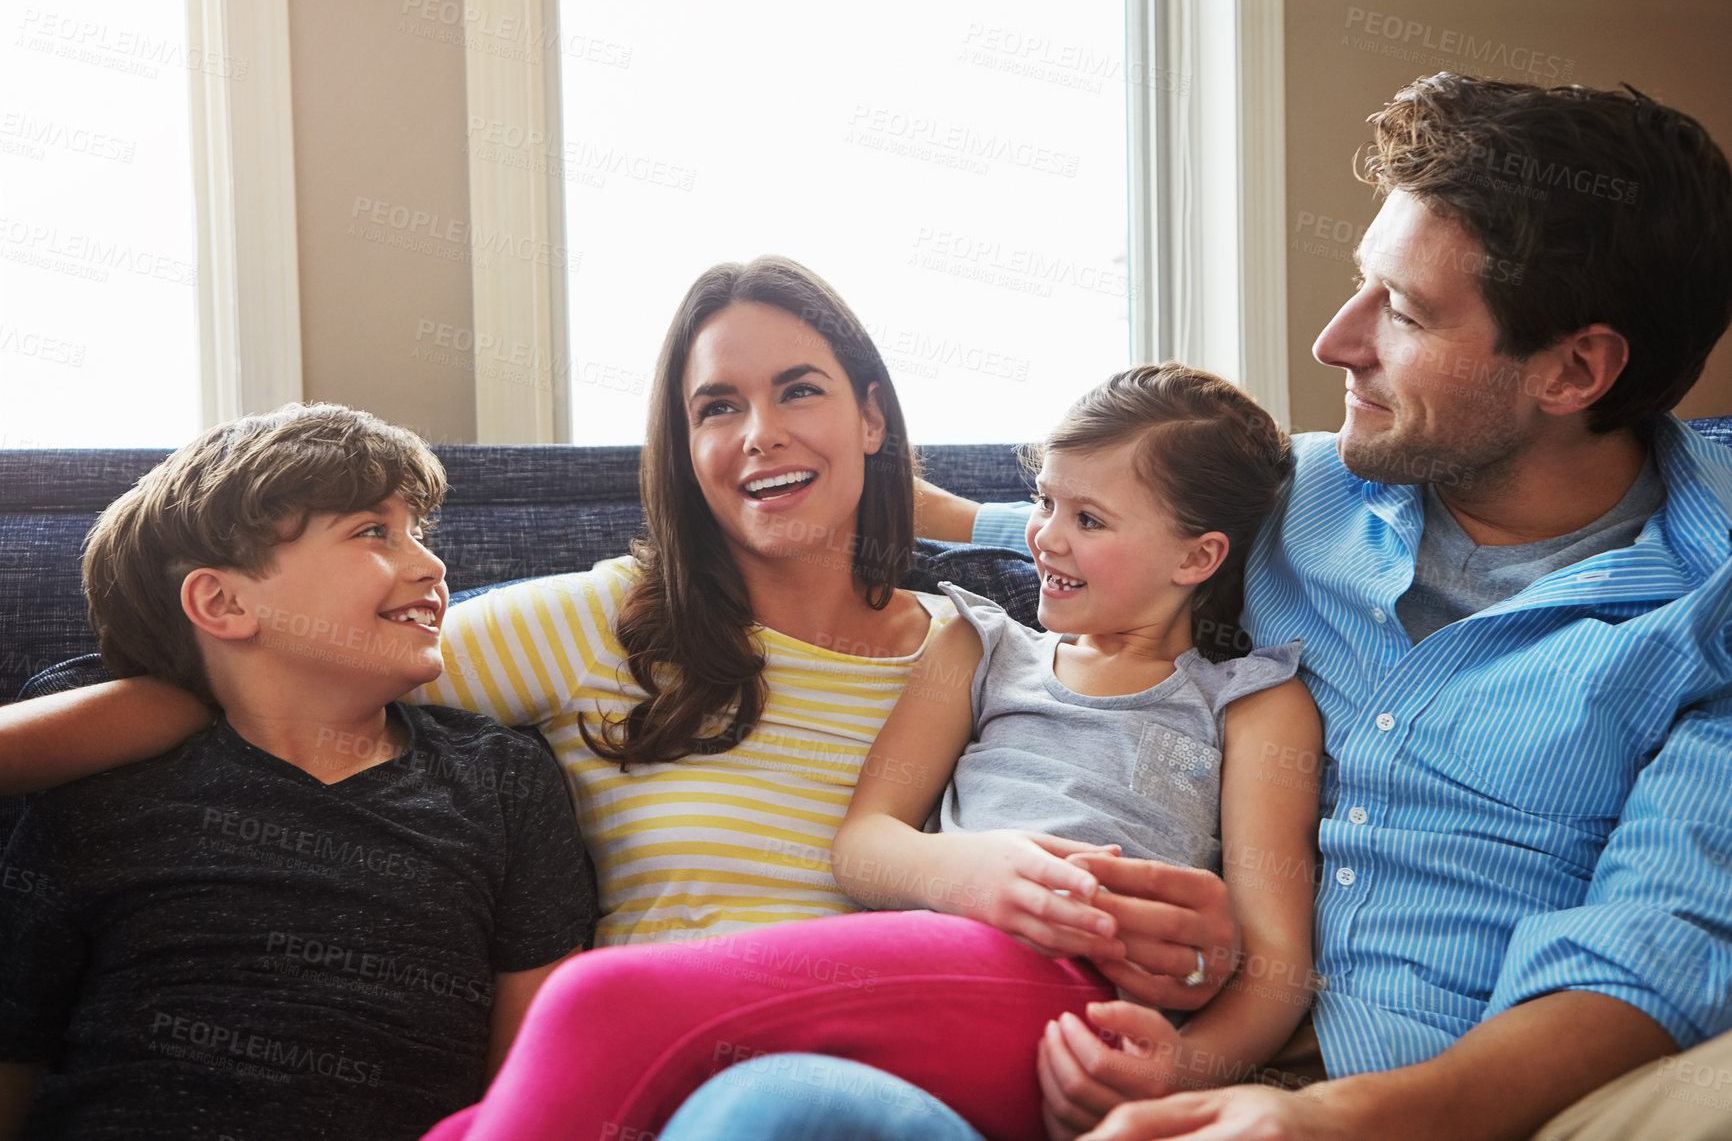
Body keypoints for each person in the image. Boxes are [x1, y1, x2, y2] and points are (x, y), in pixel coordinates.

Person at [674, 73, 1732, 1140]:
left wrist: (1325, 1119)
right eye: (1361, 283)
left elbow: (1652, 949)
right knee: (770, 1107)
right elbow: (1100, 528)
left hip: (1457, 1105)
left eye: (1403, 313)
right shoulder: (1302, 491)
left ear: (1575, 369)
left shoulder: (1707, 616)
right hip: (1172, 1067)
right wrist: (862, 494)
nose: (1335, 340)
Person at [0, 261, 1237, 1130]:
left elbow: (1160, 566)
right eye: (716, 405)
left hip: (926, 1075)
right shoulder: (590, 620)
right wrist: (81, 726)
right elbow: (270, 678)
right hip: (637, 1094)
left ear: (870, 417)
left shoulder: (990, 646)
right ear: (684, 452)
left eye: (799, 388)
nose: (758, 431)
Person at [412, 365, 1323, 1141]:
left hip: (1078, 1009)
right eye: (1044, 501)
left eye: (1089, 519)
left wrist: (1180, 1072)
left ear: (1198, 556)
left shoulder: (1252, 701)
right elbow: (866, 844)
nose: (1044, 535)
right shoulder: (980, 643)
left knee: (595, 1004)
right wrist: (971, 872)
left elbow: (1276, 963)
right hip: (941, 959)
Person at [0, 404, 593, 1141]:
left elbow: (531, 1080)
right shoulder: (101, 786)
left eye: (420, 532)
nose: (432, 565)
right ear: (223, 602)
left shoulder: (503, 779)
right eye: (374, 532)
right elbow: (15, 1051)